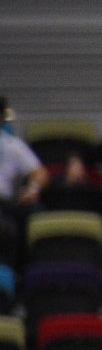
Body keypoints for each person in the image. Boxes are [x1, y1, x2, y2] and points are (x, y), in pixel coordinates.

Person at [0, 98, 48, 266]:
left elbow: (40, 173)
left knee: (35, 212)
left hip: (5, 202)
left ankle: (22, 271)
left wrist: (32, 189)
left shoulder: (13, 145)